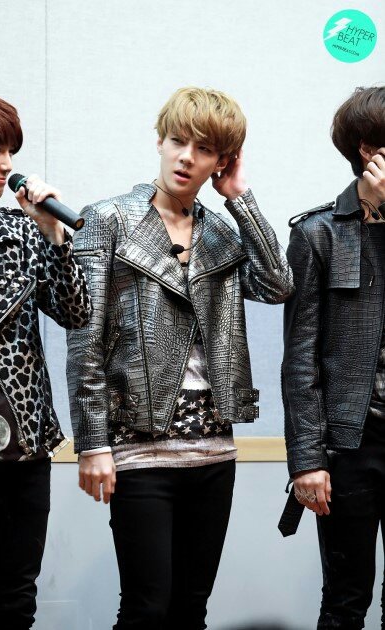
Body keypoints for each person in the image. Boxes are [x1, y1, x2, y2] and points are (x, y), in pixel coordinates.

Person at [67, 86, 293, 630]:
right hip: (139, 447)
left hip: (213, 449)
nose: (186, 157)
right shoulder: (109, 219)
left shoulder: (219, 232)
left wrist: (240, 198)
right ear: (160, 141)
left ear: (221, 161)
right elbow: (84, 341)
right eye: (177, 141)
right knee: (146, 608)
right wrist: (92, 443)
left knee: (192, 609)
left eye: (204, 149)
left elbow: (278, 285)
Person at [0, 86, 90, 630]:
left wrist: (53, 234)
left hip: (24, 450)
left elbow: (77, 311)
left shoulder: (19, 232)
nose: (6, 165)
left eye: (9, 151)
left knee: (16, 601)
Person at [281, 86, 385, 629]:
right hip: (350, 446)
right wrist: (306, 459)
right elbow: (300, 359)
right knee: (345, 600)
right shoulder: (317, 233)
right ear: (370, 150)